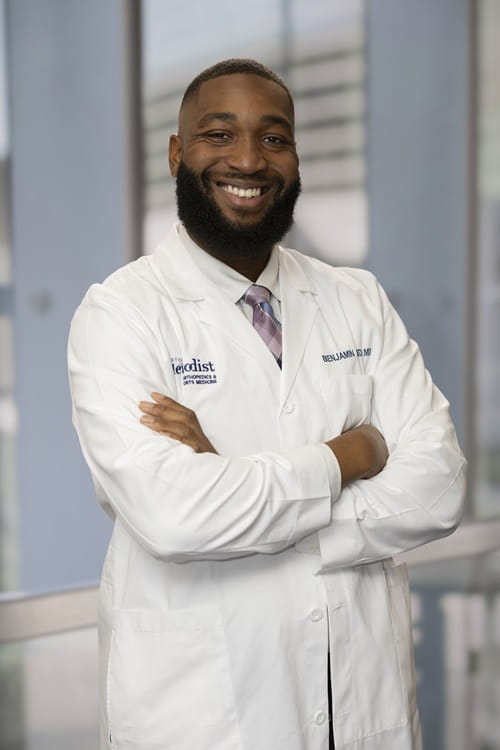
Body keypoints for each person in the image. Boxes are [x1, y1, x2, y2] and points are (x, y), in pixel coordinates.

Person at [68, 59, 466, 750]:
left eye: (274, 138)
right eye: (219, 134)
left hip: (358, 705)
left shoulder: (356, 298)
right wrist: (351, 455)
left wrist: (235, 482)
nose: (249, 160)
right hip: (204, 718)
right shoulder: (120, 314)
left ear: (295, 156)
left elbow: (438, 487)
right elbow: (174, 516)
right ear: (177, 153)